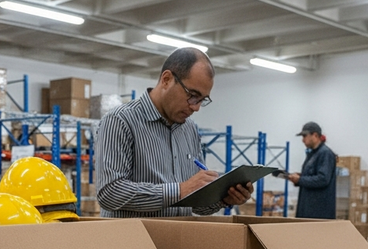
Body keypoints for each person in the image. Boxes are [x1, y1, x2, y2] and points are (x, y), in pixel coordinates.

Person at [96, 48, 253, 217]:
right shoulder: (120, 121)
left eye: (202, 100)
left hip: (177, 240)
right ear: (166, 79)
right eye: (193, 95)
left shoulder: (189, 130)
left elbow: (195, 203)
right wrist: (180, 190)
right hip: (133, 241)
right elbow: (109, 193)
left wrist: (224, 198)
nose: (196, 107)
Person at [287, 122, 337, 219]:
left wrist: (300, 180)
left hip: (319, 213)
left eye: (305, 136)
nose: (303, 140)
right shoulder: (313, 154)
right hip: (308, 209)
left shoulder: (325, 153)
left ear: (315, 135)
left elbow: (323, 179)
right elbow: (313, 175)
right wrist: (299, 177)